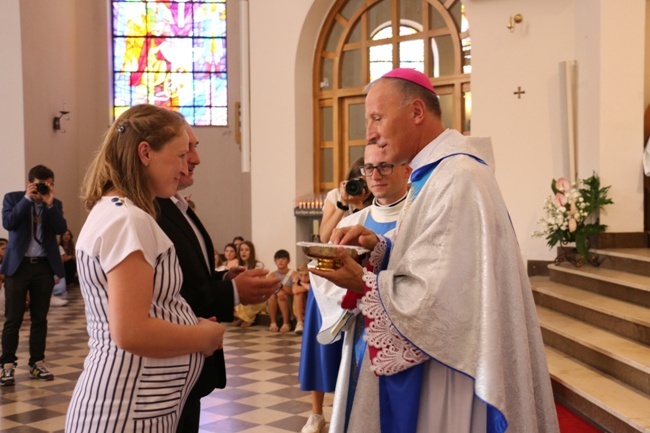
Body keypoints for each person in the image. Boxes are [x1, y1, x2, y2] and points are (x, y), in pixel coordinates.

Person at [310, 68, 559, 433]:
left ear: (416, 112)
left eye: (377, 118)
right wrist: (381, 246)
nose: (370, 133)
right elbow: (438, 255)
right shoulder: (437, 172)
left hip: (451, 367)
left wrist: (363, 281)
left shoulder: (457, 177)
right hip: (440, 353)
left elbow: (437, 292)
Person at [65, 104, 224, 432]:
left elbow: (144, 307)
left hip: (140, 404)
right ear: (145, 152)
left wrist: (187, 321)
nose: (184, 168)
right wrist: (202, 336)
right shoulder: (127, 220)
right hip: (126, 408)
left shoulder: (118, 211)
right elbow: (131, 331)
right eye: (180, 156)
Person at [156, 124, 280, 432]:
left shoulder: (174, 204)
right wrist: (233, 294)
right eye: (185, 151)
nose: (196, 159)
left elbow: (185, 274)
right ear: (147, 153)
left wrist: (223, 280)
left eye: (194, 148)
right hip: (167, 366)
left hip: (190, 364)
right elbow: (166, 296)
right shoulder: (146, 212)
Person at [300, 144, 411, 433]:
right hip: (360, 330)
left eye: (385, 166)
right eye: (369, 168)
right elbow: (324, 276)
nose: (375, 175)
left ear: (406, 170)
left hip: (407, 331)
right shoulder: (351, 222)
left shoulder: (417, 218)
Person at [0, 165, 67, 386]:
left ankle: (37, 362)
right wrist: (28, 200)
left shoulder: (54, 204)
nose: (44, 188)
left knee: (40, 318)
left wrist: (48, 204)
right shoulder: (13, 198)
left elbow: (60, 228)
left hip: (43, 267)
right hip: (18, 267)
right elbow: (8, 223)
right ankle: (7, 365)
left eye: (49, 184)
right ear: (29, 183)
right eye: (40, 184)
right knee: (13, 319)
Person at [319, 158, 373, 243]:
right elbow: (325, 238)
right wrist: (344, 204)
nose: (362, 188)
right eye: (357, 183)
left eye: (366, 184)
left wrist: (358, 205)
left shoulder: (378, 200)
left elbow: (367, 237)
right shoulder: (335, 195)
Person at [232, 240, 266, 327]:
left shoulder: (258, 265)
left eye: (246, 250)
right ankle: (242, 318)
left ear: (251, 252)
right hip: (244, 291)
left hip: (257, 293)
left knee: (248, 299)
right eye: (241, 250)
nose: (243, 252)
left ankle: (247, 318)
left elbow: (256, 282)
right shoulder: (238, 266)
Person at [266, 249, 297, 333]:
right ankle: (273, 323)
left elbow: (293, 291)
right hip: (275, 302)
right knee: (272, 296)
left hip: (290, 301)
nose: (280, 261)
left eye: (283, 259)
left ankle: (286, 323)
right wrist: (278, 291)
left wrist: (281, 287)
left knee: (282, 295)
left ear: (288, 261)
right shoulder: (272, 275)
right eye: (278, 259)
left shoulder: (293, 274)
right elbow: (267, 290)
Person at [291, 262, 309, 335]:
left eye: (306, 275)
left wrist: (302, 284)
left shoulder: (314, 280)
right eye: (301, 275)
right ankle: (299, 322)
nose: (303, 278)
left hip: (310, 307)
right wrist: (305, 286)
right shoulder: (298, 281)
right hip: (301, 309)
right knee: (298, 294)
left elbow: (312, 289)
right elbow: (295, 290)